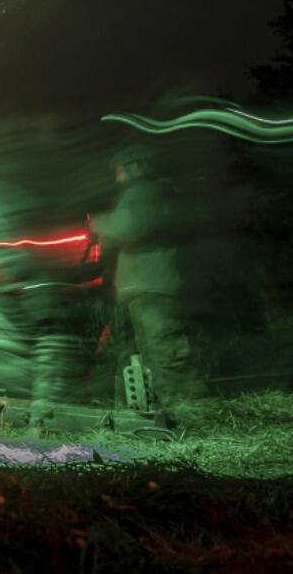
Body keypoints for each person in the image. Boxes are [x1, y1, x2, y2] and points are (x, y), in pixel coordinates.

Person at [88, 147, 206, 407]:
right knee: (147, 353)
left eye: (120, 171)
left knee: (165, 352)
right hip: (146, 287)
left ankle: (187, 411)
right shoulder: (153, 193)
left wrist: (97, 223)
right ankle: (158, 410)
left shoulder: (144, 192)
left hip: (152, 287)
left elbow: (130, 226)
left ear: (136, 166)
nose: (118, 179)